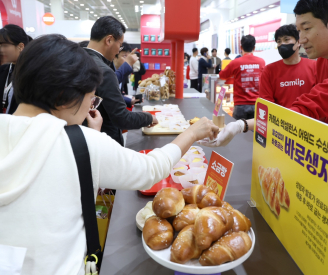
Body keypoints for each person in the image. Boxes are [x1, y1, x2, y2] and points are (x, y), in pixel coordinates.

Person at [0, 34, 219, 275]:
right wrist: (192, 132)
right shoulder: (81, 143)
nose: (90, 106)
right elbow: (150, 170)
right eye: (90, 98)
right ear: (65, 98)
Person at [200, 0, 328, 216]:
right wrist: (242, 126)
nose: (300, 39)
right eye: (298, 31)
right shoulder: (323, 59)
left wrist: (242, 126)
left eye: (307, 29)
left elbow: (310, 107)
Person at [85, 16, 157, 146]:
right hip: (104, 141)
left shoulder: (77, 59)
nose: (119, 49)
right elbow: (122, 118)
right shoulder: (104, 71)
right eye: (120, 44)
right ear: (109, 40)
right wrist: (149, 117)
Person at [260, 24, 316, 107]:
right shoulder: (269, 71)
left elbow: (319, 99)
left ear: (298, 42)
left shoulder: (314, 66)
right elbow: (266, 105)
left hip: (307, 119)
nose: (282, 44)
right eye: (279, 41)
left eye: (286, 40)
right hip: (280, 119)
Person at [218, 35, 265, 120]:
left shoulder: (235, 62)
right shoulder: (261, 62)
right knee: (255, 132)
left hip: (240, 105)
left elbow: (222, 76)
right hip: (257, 104)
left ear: (241, 47)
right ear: (254, 47)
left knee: (238, 131)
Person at [0, 24, 31, 114]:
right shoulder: (2, 70)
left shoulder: (32, 73)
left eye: (5, 45)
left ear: (20, 46)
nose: (1, 50)